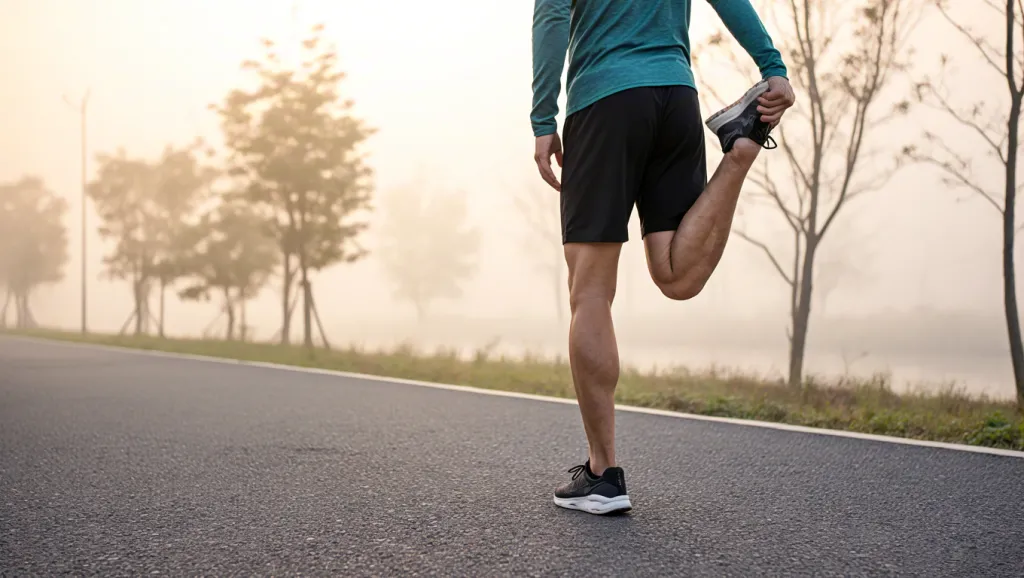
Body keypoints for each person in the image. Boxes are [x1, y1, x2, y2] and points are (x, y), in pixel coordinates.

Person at [531, 0, 796, 516]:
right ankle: (739, 153)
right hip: (676, 98)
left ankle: (603, 475)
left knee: (590, 292)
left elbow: (552, 15)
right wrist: (773, 67)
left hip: (604, 100)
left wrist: (544, 118)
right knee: (677, 275)